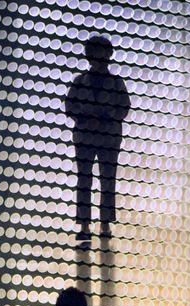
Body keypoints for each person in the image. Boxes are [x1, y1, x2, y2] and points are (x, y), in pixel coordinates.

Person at [65, 35, 131, 242]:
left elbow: (124, 108)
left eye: (102, 51)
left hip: (108, 137)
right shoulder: (79, 81)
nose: (98, 55)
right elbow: (70, 106)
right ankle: (85, 224)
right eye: (95, 51)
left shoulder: (116, 82)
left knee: (107, 180)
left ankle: (104, 224)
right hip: (85, 135)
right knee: (85, 179)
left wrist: (103, 119)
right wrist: (87, 118)